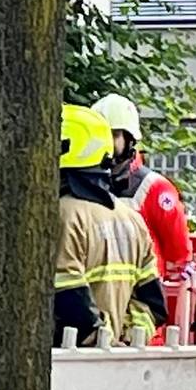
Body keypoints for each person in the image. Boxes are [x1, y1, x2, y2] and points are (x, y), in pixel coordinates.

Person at [56, 104, 157, 346]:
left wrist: (99, 336)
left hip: (67, 356)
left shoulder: (62, 214)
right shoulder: (132, 219)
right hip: (113, 357)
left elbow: (66, 292)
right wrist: (131, 337)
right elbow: (152, 300)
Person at [92, 94, 192, 328]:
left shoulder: (155, 189)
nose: (106, 142)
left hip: (140, 314)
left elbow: (178, 254)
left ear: (130, 140)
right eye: (100, 134)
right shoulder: (83, 185)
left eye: (114, 135)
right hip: (97, 307)